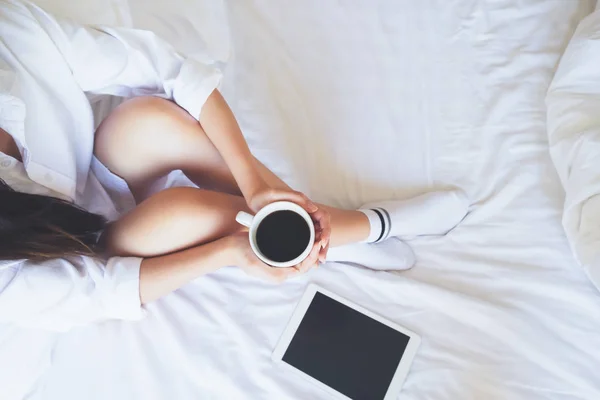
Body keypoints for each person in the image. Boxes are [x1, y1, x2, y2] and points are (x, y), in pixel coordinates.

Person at [0, 0, 469, 331]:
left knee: (148, 119)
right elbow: (101, 293)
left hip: (98, 164)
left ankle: (313, 232)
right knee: (193, 210)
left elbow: (172, 71)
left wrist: (252, 182)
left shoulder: (9, 30)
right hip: (88, 247)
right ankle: (367, 228)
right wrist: (229, 252)